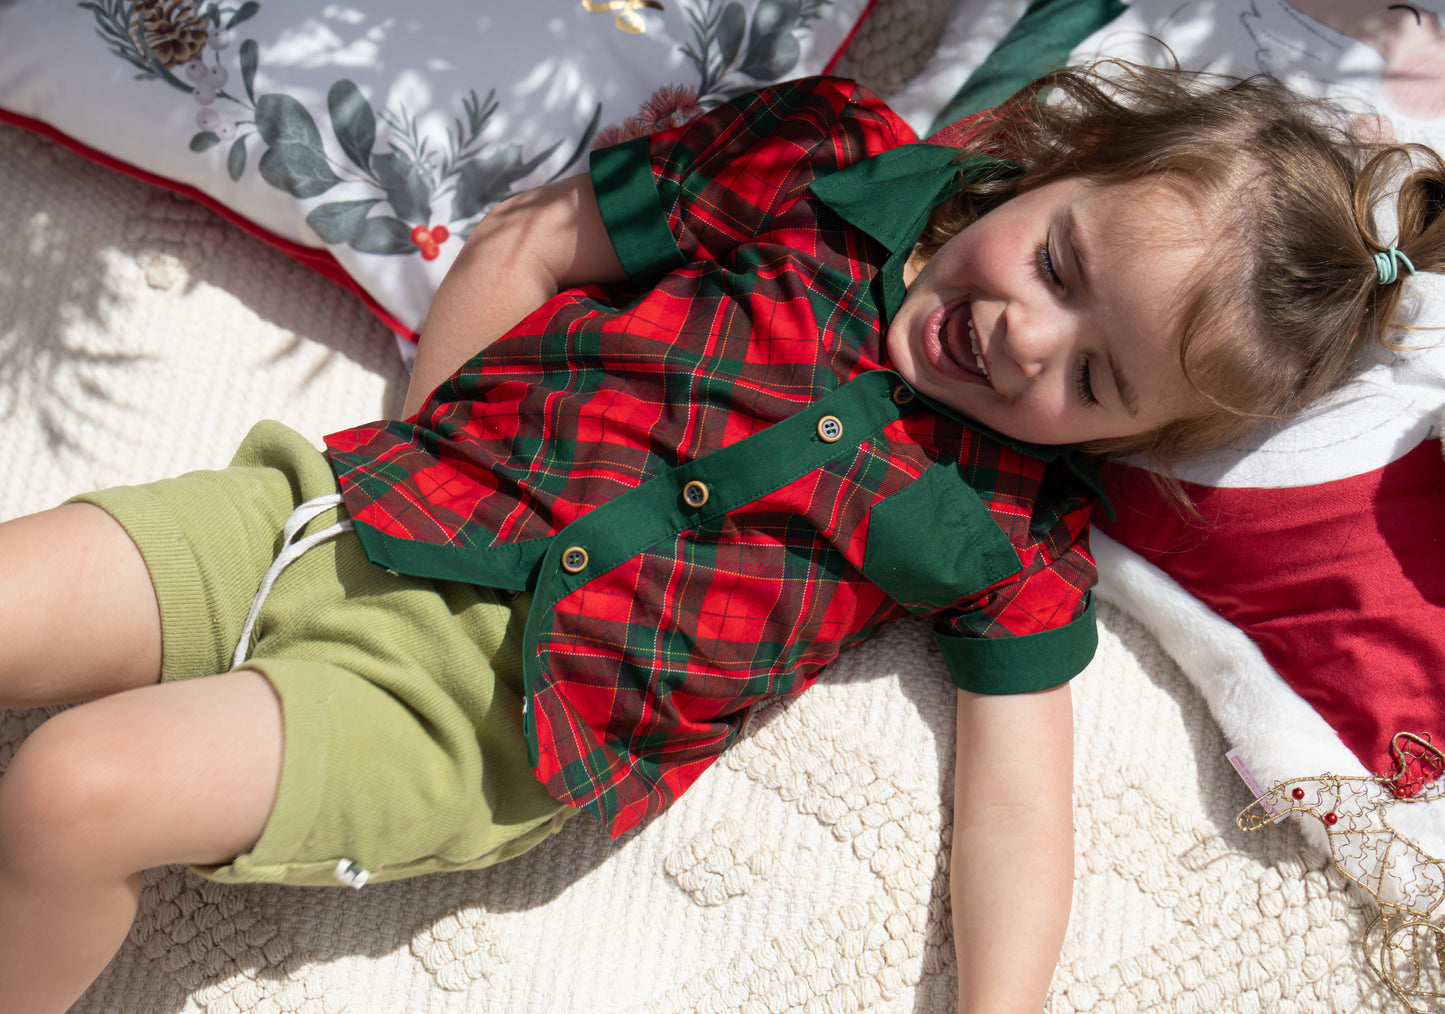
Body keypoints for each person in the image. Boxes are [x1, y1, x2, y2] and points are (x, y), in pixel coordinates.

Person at [1, 61, 1442, 1014]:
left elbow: (1019, 801)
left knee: (74, 788)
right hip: (346, 508)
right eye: (1057, 264)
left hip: (483, 708)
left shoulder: (1012, 529)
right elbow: (537, 242)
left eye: (1095, 378)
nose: (1024, 338)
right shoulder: (817, 160)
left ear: (1125, 442)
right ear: (1046, 164)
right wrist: (437, 445)